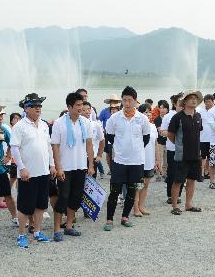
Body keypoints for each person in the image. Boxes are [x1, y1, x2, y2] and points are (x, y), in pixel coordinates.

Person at [10, 94, 56, 248]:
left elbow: (48, 146)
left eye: (40, 106)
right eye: (34, 105)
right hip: (27, 173)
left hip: (43, 172)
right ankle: (21, 234)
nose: (38, 108)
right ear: (26, 108)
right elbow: (15, 149)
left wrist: (52, 165)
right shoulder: (19, 126)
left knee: (41, 205)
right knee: (24, 206)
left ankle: (37, 232)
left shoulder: (43, 125)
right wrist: (21, 167)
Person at [104, 86, 151, 230]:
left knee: (132, 190)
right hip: (119, 160)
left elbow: (146, 138)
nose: (127, 103)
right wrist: (122, 147)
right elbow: (110, 136)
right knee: (115, 190)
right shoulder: (115, 117)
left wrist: (134, 148)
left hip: (136, 160)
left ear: (135, 101)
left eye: (130, 100)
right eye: (124, 100)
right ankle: (109, 219)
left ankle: (125, 216)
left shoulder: (142, 118)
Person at [50, 92, 94, 241]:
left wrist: (91, 164)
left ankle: (69, 226)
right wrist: (58, 167)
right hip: (65, 167)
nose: (81, 108)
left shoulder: (85, 122)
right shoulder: (59, 123)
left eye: (82, 105)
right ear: (69, 107)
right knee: (63, 197)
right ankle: (57, 229)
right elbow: (55, 146)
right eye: (78, 105)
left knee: (76, 196)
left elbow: (89, 143)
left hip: (80, 166)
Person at [167, 91, 204, 215]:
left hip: (195, 154)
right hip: (181, 155)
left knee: (192, 180)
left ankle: (189, 204)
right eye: (191, 98)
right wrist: (179, 145)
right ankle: (175, 206)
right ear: (185, 101)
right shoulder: (177, 117)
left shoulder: (198, 116)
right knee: (178, 181)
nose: (194, 100)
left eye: (195, 98)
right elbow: (171, 135)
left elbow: (199, 133)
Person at [134, 103, 159, 216]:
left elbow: (155, 144)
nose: (148, 114)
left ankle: (141, 206)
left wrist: (157, 160)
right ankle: (135, 208)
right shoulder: (137, 126)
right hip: (139, 160)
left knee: (146, 184)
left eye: (149, 112)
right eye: (145, 112)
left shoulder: (153, 126)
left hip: (150, 160)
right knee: (138, 185)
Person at [198, 94, 214, 183]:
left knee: (210, 157)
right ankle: (200, 174)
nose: (207, 103)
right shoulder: (201, 111)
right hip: (202, 138)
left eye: (209, 101)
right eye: (206, 101)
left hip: (212, 138)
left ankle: (206, 172)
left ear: (213, 101)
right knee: (202, 157)